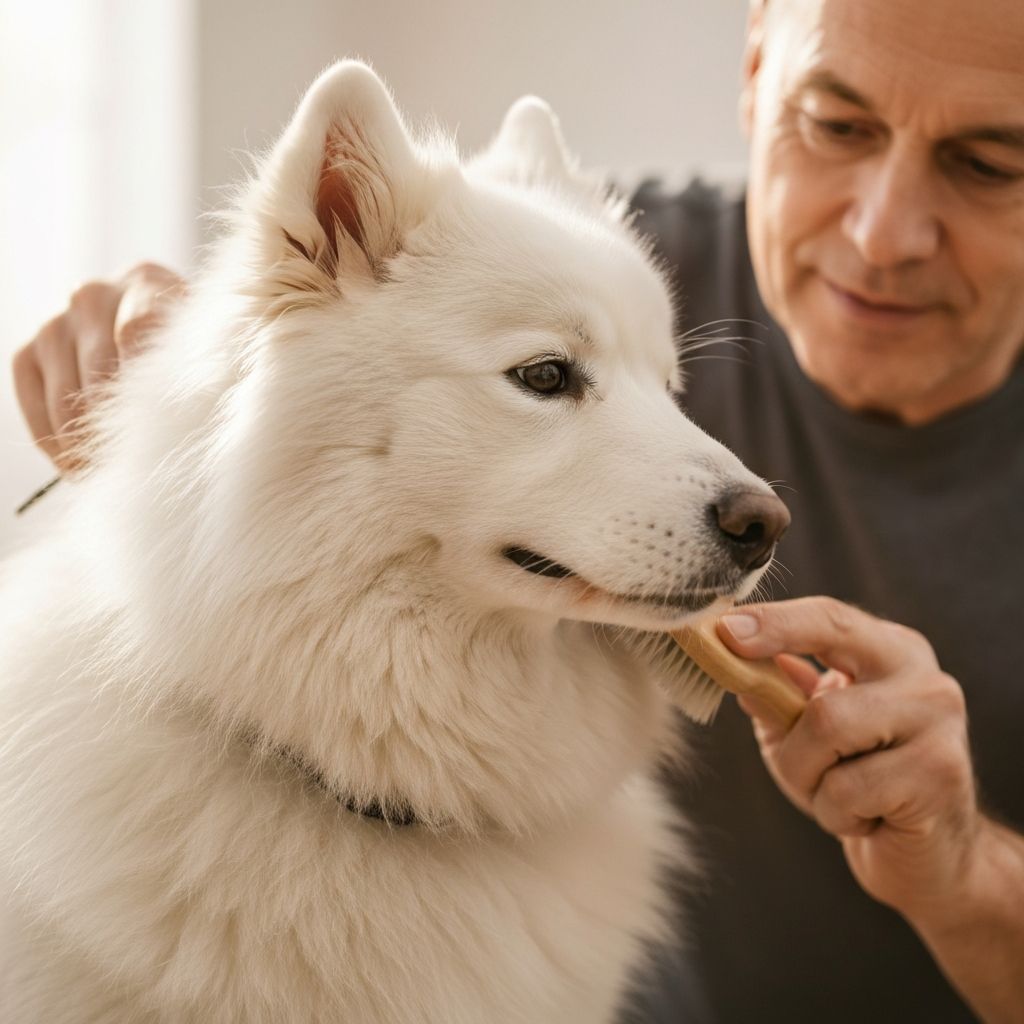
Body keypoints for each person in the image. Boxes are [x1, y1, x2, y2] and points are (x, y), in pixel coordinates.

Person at [10, 0, 1024, 1020]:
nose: (882, 234)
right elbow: (297, 331)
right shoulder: (582, 262)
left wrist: (967, 870)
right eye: (837, 124)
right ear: (756, 71)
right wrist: (183, 349)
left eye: (987, 164)